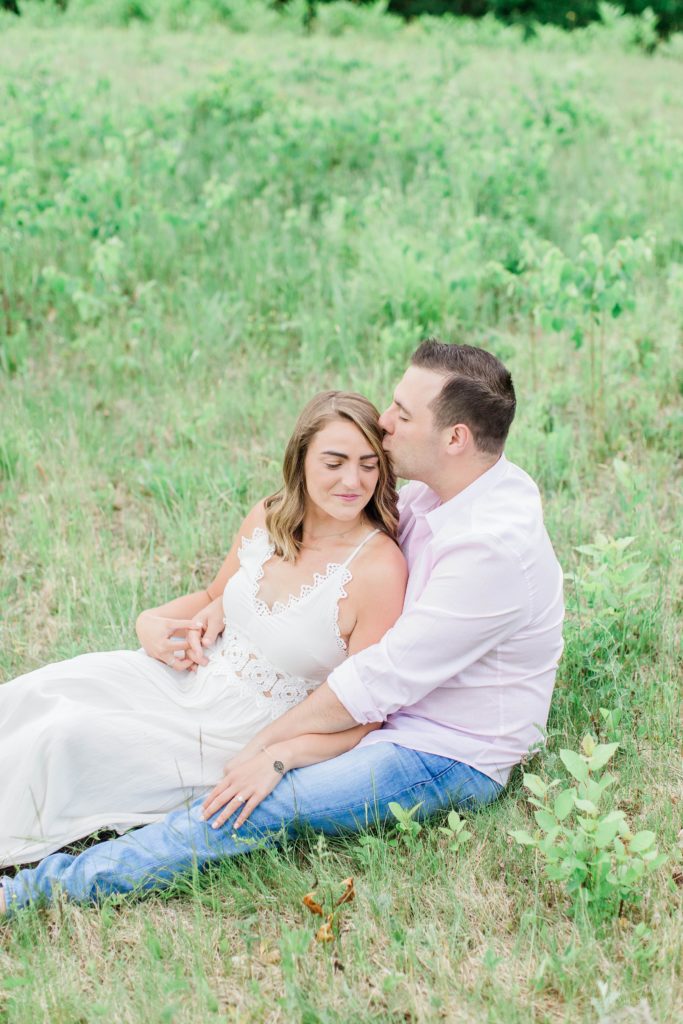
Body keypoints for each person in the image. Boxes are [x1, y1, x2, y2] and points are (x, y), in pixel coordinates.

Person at [0, 339, 564, 917]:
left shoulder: (491, 549)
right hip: (359, 698)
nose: (385, 422)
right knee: (53, 699)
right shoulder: (447, 482)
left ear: (455, 438)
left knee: (251, 803)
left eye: (402, 412)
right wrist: (230, 605)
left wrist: (266, 752)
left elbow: (376, 686)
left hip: (439, 748)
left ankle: (35, 892)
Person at [0, 392, 406, 868]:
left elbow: (365, 716)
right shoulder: (270, 514)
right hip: (192, 676)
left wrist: (280, 759)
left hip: (234, 733)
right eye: (334, 463)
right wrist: (148, 622)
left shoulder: (378, 569)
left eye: (367, 465)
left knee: (67, 736)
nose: (352, 481)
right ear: (300, 460)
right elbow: (215, 596)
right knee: (44, 689)